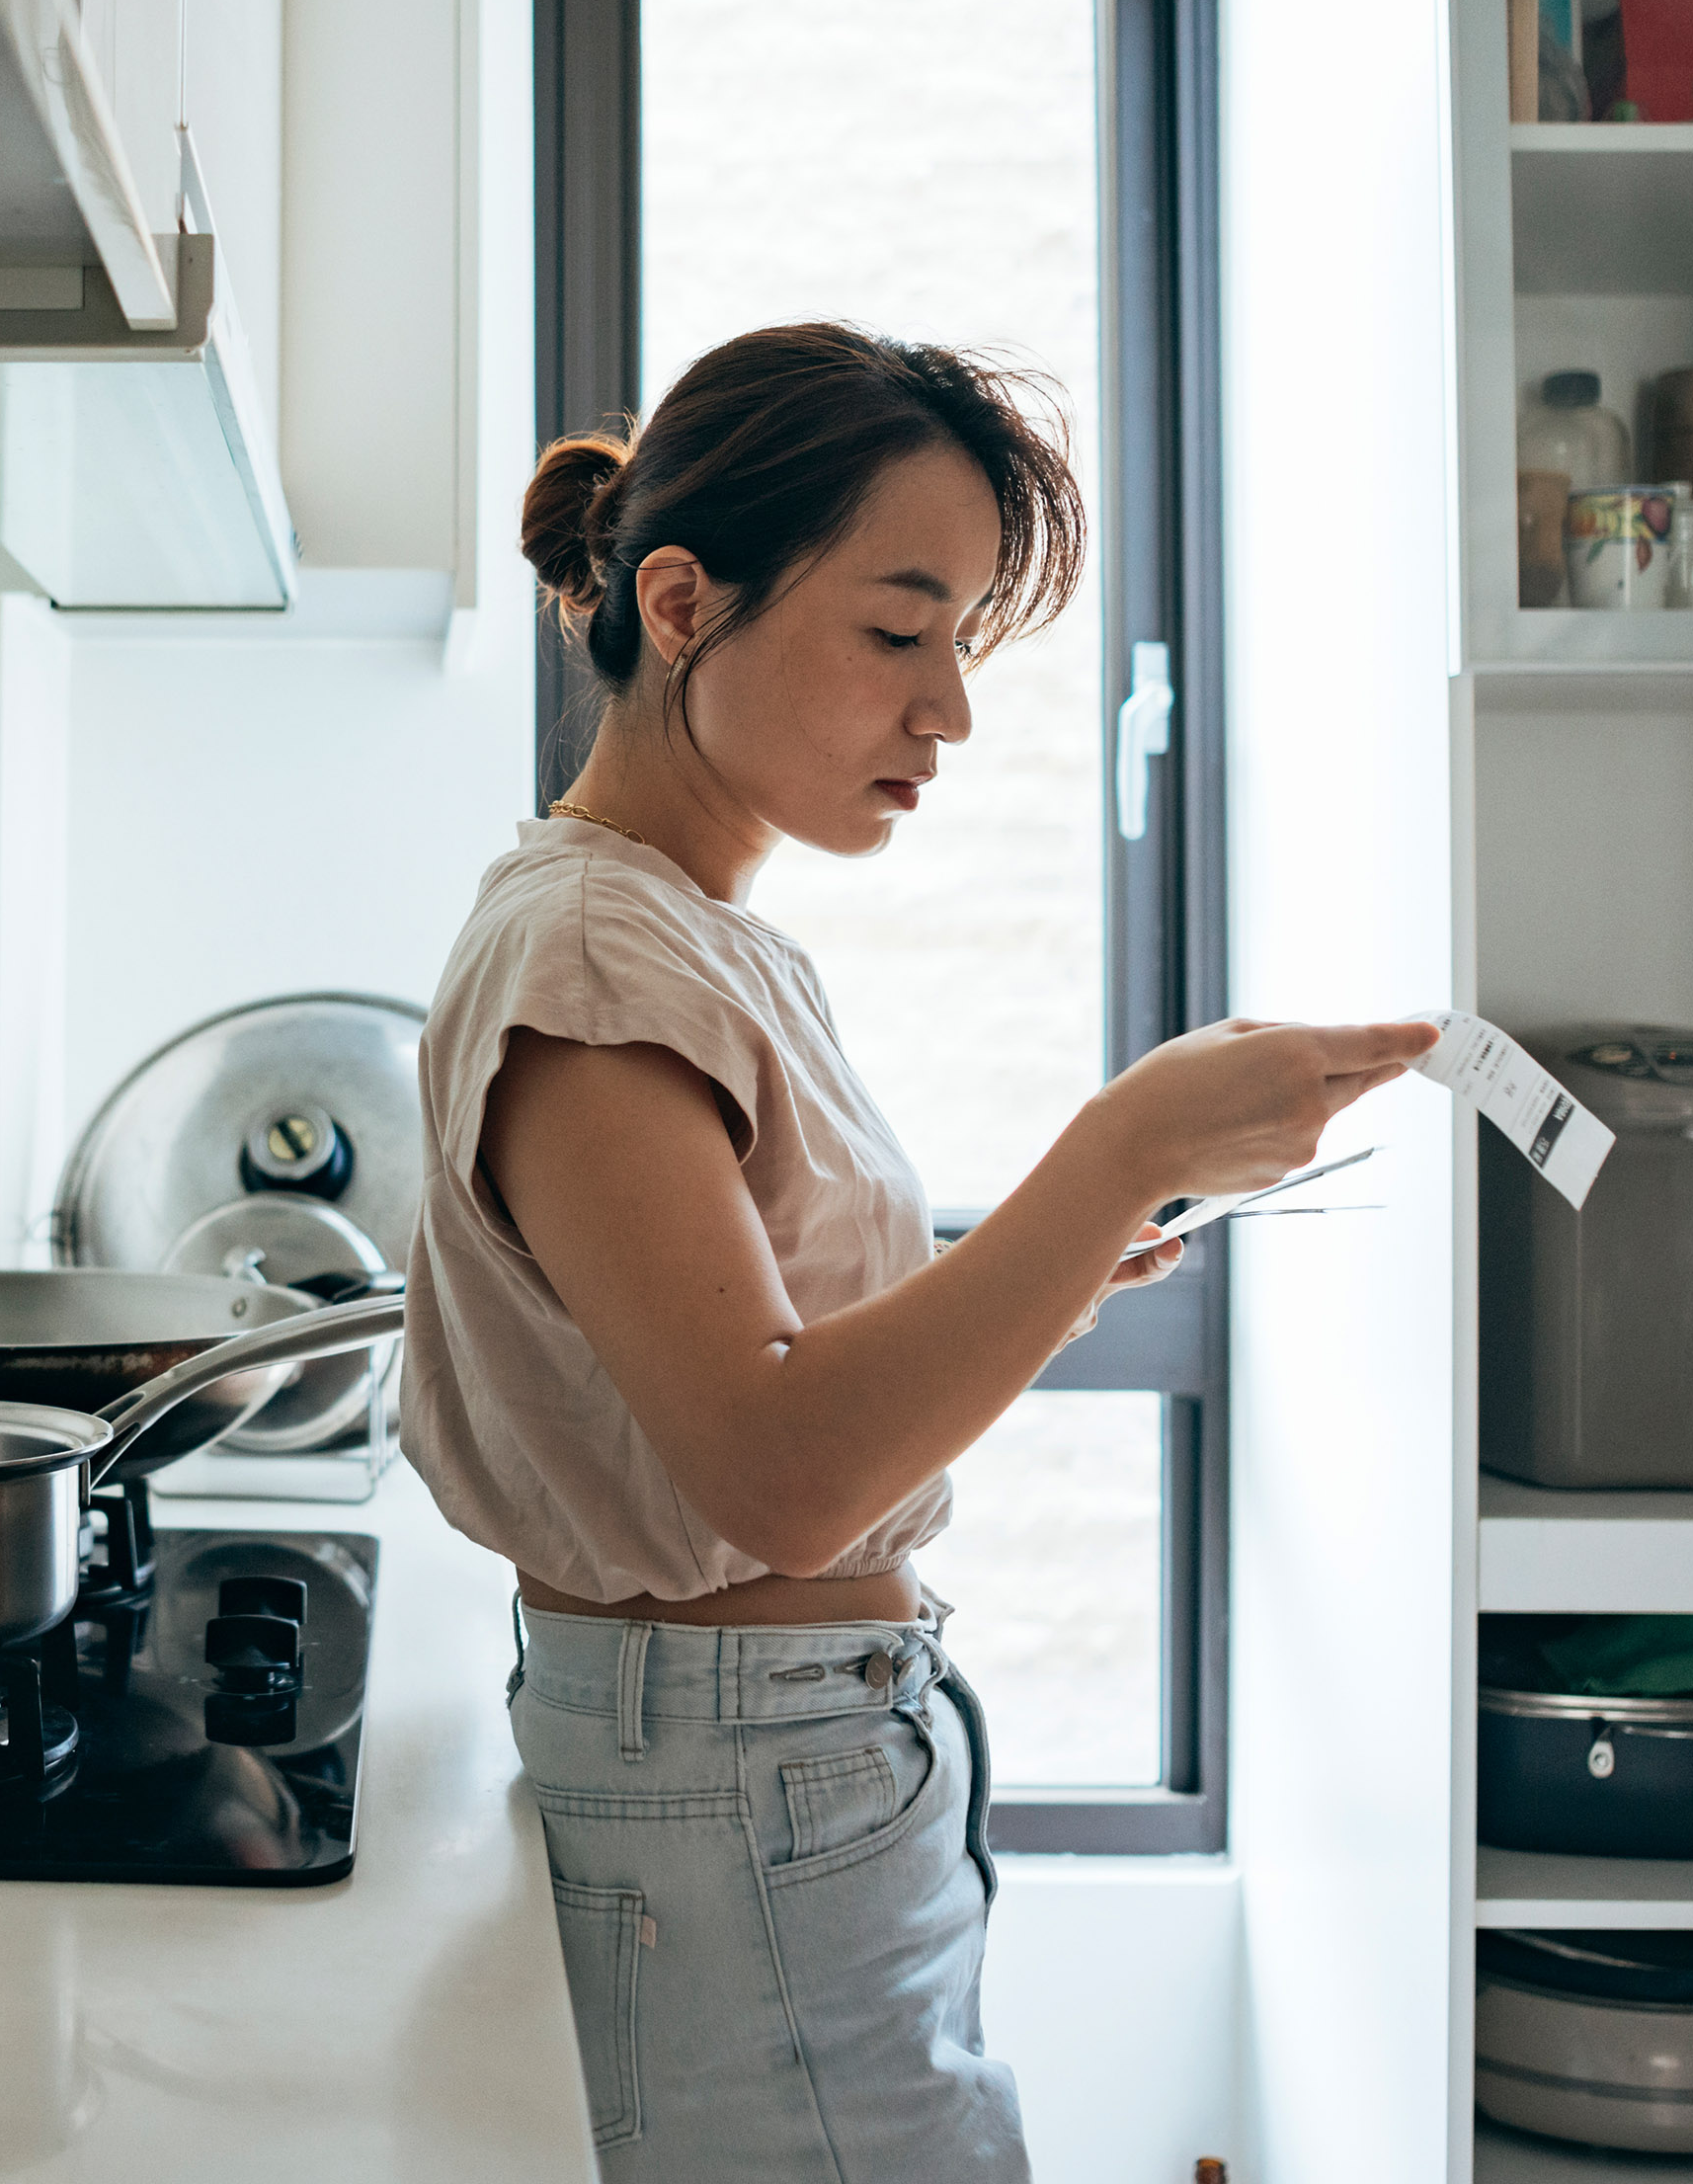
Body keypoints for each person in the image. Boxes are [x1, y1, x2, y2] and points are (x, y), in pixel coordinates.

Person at [402, 320, 1433, 2178]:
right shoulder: (594, 958)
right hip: (734, 1785)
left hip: (771, 1773)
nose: (948, 708)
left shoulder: (683, 934)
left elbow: (767, 1363)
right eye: (899, 630)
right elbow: (781, 1472)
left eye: (960, 641)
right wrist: (1117, 1150)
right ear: (683, 601)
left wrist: (1062, 1248)